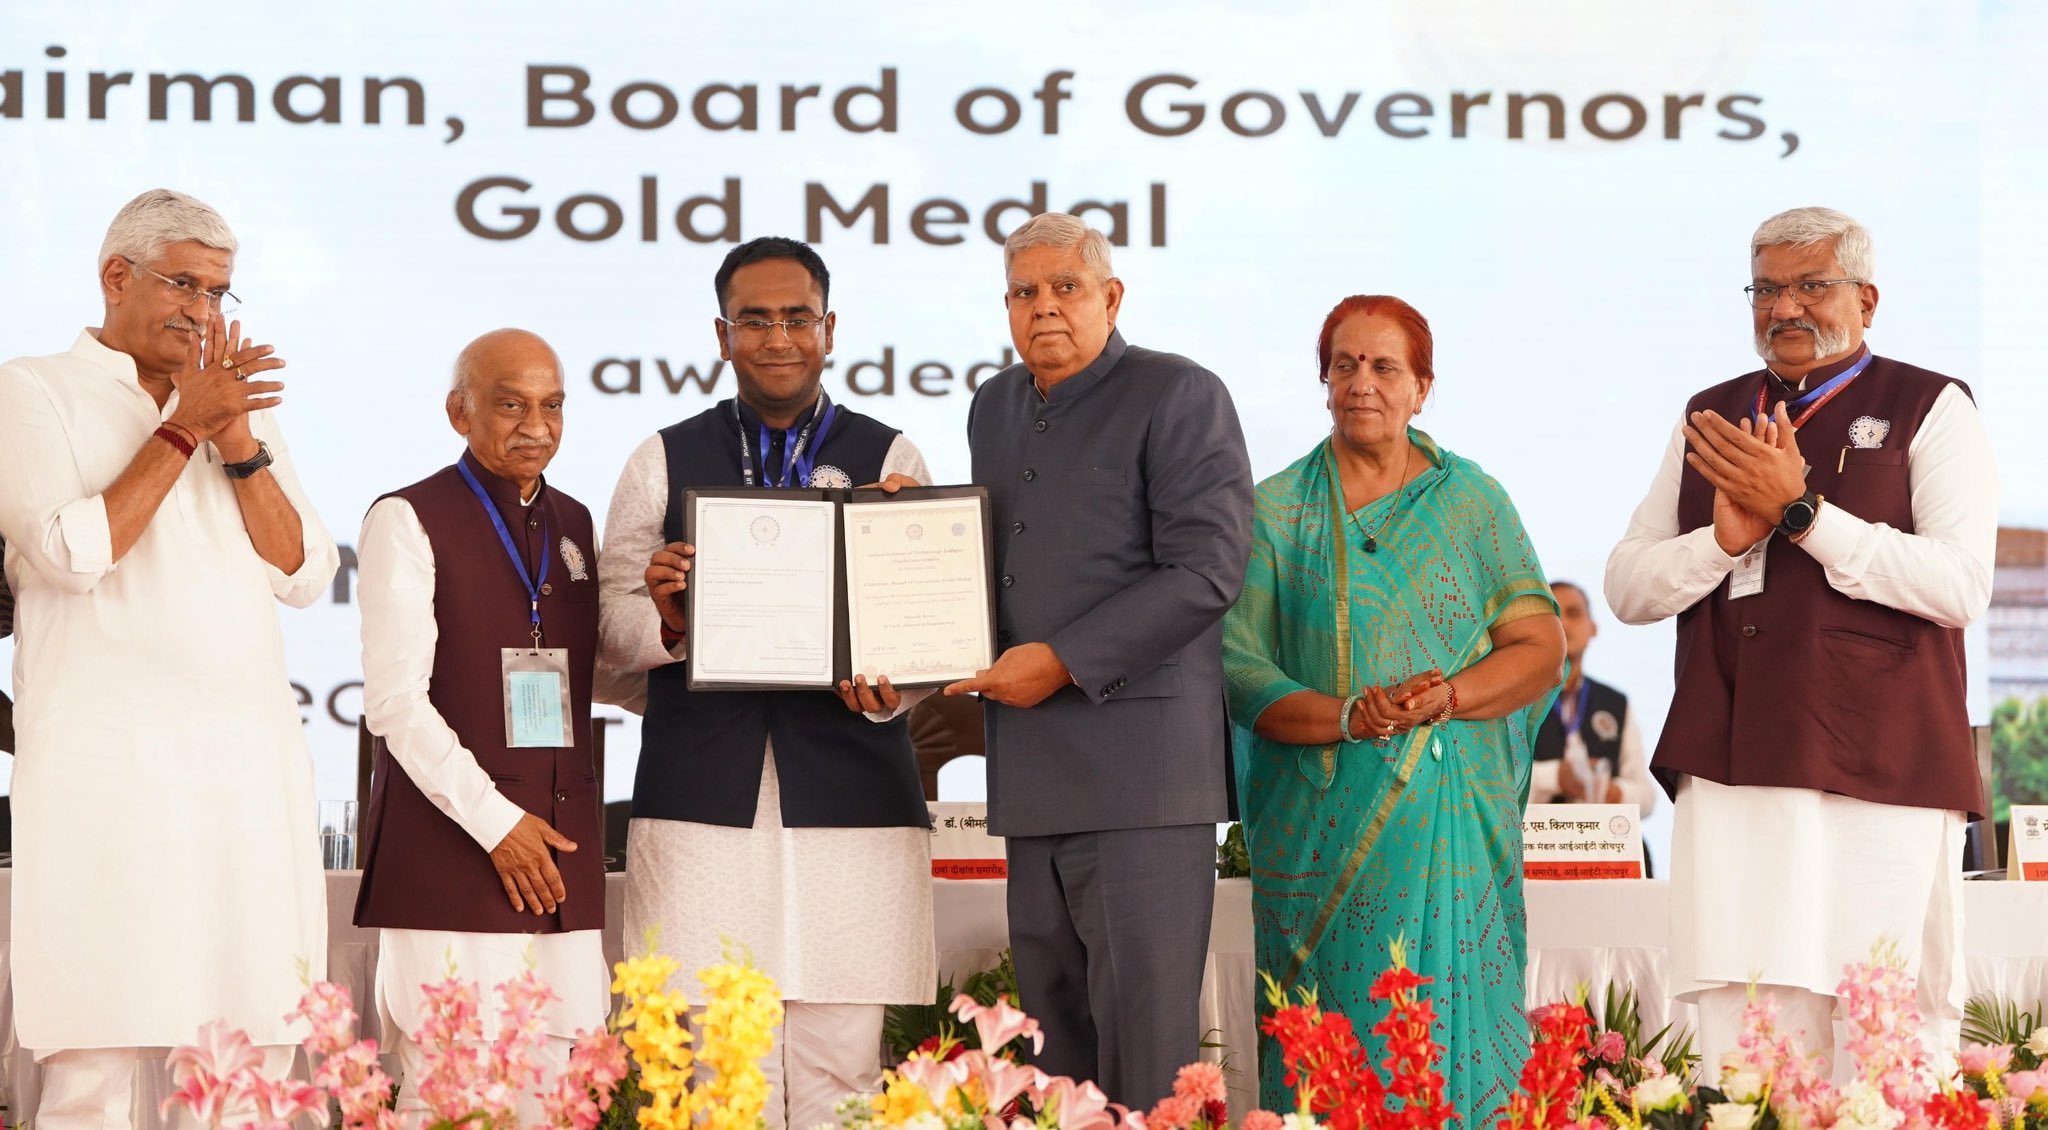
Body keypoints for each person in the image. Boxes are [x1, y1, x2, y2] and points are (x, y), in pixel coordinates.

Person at [1605, 207, 1997, 1074]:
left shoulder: (1930, 405)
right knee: (1749, 1032)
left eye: (1811, 285)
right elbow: (1629, 588)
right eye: (1768, 289)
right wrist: (1723, 540)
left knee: (1881, 1019)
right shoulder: (1710, 417)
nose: (1787, 308)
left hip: (1883, 761)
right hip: (1737, 757)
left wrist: (1805, 514)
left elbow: (1961, 585)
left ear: (1866, 298)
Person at [0, 188, 337, 1129]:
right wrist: (183, 424)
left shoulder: (236, 406)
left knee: (242, 1060)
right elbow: (70, 556)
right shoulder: (30, 389)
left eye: (221, 292)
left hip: (243, 776)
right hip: (109, 780)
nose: (204, 311)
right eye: (184, 284)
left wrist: (234, 439)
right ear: (116, 277)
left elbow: (305, 572)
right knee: (96, 1063)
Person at [596, 236, 936, 1130]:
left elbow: (926, 632)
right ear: (722, 333)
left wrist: (893, 687)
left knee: (842, 1069)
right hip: (702, 797)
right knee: (714, 1074)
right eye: (756, 319)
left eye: (798, 318)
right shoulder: (661, 458)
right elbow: (607, 632)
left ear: (830, 329)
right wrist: (669, 619)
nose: (778, 337)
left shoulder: (890, 453)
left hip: (852, 797)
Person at [1222, 294, 1564, 1124]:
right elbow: (1237, 666)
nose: (1361, 384)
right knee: (1335, 1053)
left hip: (1454, 836)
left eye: (1384, 367)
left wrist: (1448, 697)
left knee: (1451, 1048)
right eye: (1344, 365)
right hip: (1320, 837)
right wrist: (1349, 718)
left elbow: (1540, 645)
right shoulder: (1277, 512)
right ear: (1323, 380)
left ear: (1423, 387)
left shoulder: (1472, 503)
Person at [946, 212, 1252, 1108]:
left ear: (1111, 297)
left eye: (1065, 288)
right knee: (1054, 1058)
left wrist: (1065, 659)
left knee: (1146, 1054)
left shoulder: (1179, 393)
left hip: (1141, 785)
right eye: (1023, 291)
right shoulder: (994, 405)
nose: (1044, 307)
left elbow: (1207, 569)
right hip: (1032, 776)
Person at [353, 329, 608, 1122]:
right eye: (510, 405)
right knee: (455, 1087)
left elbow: (592, 676)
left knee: (561, 1088)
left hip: (559, 858)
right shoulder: (407, 517)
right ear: (459, 412)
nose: (536, 425)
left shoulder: (572, 521)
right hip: (456, 852)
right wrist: (498, 824)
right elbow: (395, 701)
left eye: (552, 405)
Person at [1531, 580, 1658, 814]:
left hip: (1605, 844)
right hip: (1537, 844)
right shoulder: (1517, 701)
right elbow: (1497, 787)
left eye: (1574, 613)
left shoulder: (1615, 702)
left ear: (1593, 628)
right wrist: (1555, 776)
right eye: (1555, 615)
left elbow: (1647, 797)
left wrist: (1614, 791)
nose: (1564, 624)